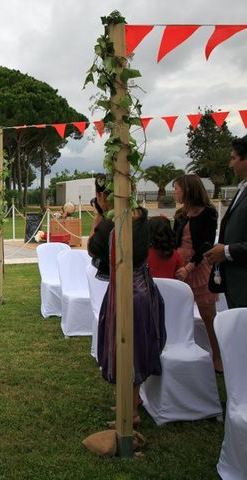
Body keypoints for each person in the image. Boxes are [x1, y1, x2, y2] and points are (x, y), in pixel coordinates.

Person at [88, 174, 166, 426]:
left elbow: (92, 247)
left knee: (125, 349)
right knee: (139, 346)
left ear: (103, 196)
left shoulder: (112, 224)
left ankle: (129, 412)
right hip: (145, 287)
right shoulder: (142, 216)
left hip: (126, 291)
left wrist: (99, 215)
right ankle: (133, 399)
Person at [172, 174, 222, 372]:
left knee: (208, 315)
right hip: (178, 266)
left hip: (199, 267)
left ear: (188, 189)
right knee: (177, 312)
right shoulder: (180, 215)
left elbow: (206, 244)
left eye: (177, 188)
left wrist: (189, 267)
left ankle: (217, 357)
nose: (174, 192)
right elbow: (174, 241)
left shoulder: (208, 213)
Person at [204, 135, 247, 309]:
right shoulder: (242, 188)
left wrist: (227, 251)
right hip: (235, 285)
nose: (230, 164)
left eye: (234, 158)